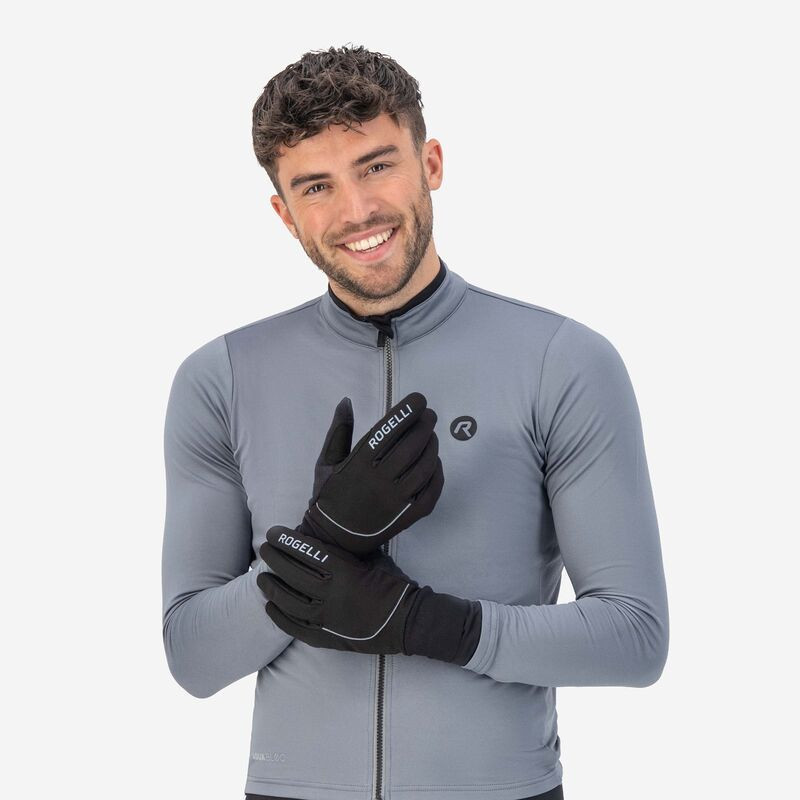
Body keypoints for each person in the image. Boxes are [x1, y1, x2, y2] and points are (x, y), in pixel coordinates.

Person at [161, 44, 669, 800]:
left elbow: (634, 638)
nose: (356, 211)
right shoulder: (222, 378)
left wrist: (420, 622)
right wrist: (326, 537)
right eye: (316, 186)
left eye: (376, 166)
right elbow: (194, 658)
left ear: (430, 162)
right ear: (284, 213)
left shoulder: (561, 361)